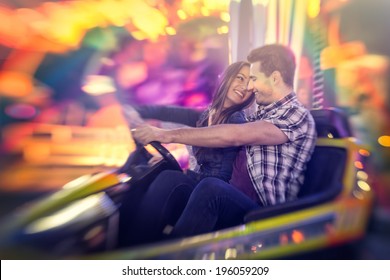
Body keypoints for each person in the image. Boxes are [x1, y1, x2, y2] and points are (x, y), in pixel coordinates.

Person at [132, 44, 317, 238]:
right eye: (244, 79)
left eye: (253, 79)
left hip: (265, 214)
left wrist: (165, 135)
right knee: (170, 178)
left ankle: (174, 263)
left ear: (275, 78)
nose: (250, 87)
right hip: (236, 197)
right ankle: (134, 247)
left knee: (211, 188)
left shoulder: (295, 115)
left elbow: (233, 135)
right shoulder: (264, 112)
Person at [118, 61, 255, 246]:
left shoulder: (236, 119)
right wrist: (135, 115)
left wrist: (168, 135)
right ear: (227, 78)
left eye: (249, 84)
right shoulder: (207, 114)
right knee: (154, 175)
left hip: (217, 193)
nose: (244, 87)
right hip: (198, 183)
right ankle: (125, 243)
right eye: (240, 78)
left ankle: (140, 251)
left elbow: (214, 137)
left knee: (170, 179)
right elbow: (164, 111)